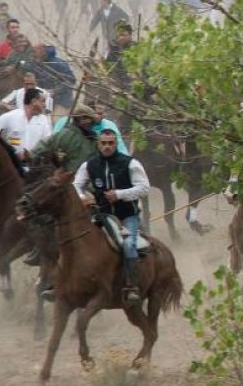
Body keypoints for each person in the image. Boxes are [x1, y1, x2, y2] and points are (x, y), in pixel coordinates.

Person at [73, 129, 151, 307]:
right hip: (101, 216)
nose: (107, 147)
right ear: (98, 144)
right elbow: (76, 185)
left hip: (127, 216)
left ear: (116, 144)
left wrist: (120, 194)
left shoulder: (130, 163)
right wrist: (82, 197)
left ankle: (132, 287)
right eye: (104, 143)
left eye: (110, 143)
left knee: (129, 245)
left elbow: (145, 188)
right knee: (77, 243)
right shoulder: (89, 165)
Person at [25, 105, 101, 270]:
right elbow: (46, 145)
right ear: (79, 120)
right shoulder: (70, 137)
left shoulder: (91, 139)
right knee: (43, 213)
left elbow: (45, 145)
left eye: (91, 120)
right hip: (70, 185)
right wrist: (32, 154)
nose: (90, 123)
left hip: (81, 185)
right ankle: (42, 249)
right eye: (87, 119)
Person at [0, 87, 53, 162]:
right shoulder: (12, 116)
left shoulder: (43, 120)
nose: (45, 105)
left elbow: (48, 143)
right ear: (33, 101)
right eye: (43, 101)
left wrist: (32, 154)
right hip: (12, 164)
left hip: (34, 167)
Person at [52, 101, 129, 154]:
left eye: (102, 113)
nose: (100, 117)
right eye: (97, 114)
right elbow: (53, 143)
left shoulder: (109, 125)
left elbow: (121, 148)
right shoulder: (64, 122)